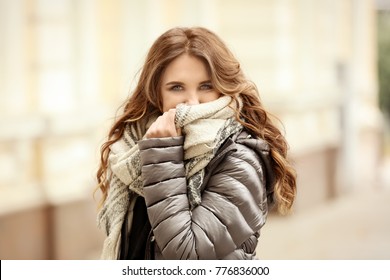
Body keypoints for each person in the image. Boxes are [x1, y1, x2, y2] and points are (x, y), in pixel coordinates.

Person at [96, 27, 296, 260]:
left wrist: (163, 155)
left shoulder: (239, 157)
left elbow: (189, 255)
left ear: (224, 88)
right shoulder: (136, 148)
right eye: (177, 87)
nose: (191, 102)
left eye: (206, 86)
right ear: (156, 94)